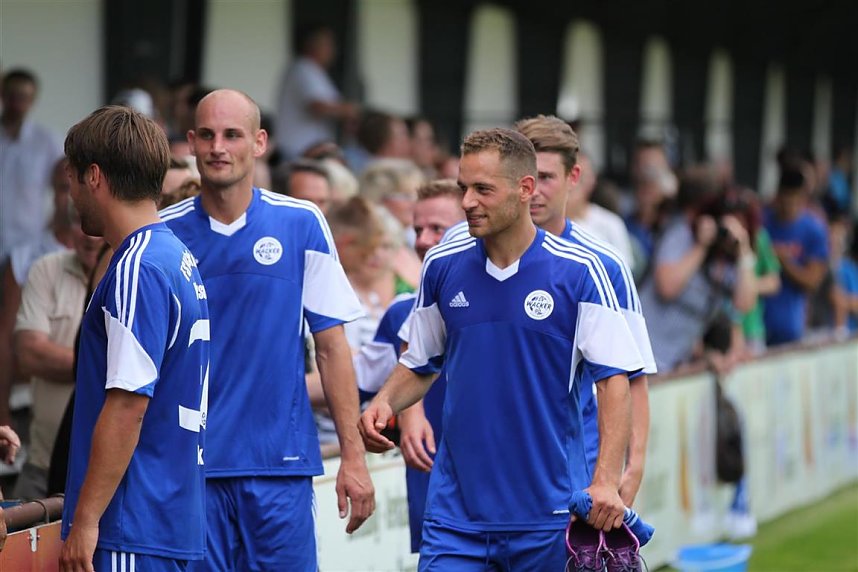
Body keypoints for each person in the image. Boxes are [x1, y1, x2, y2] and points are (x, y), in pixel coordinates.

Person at [360, 128, 643, 570]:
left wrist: (606, 480)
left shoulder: (581, 271)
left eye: (483, 189)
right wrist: (383, 403)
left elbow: (614, 382)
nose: (468, 201)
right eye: (463, 188)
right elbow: (420, 362)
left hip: (549, 517)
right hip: (455, 520)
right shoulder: (441, 265)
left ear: (524, 189)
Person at [161, 89, 374, 571]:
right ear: (191, 144)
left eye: (232, 135)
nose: (219, 147)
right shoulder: (162, 233)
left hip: (280, 466)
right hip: (193, 470)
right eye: (208, 136)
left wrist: (353, 458)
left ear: (259, 143)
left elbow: (333, 350)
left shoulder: (300, 222)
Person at [60, 105, 209, 571]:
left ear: (95, 177)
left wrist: (85, 520)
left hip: (130, 521)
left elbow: (129, 404)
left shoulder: (136, 267)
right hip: (168, 515)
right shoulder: (175, 255)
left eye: (72, 179)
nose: (70, 194)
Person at [515, 114, 655, 506]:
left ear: (574, 177)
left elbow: (634, 373)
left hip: (579, 461)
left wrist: (633, 465)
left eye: (546, 177)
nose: (533, 190)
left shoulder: (605, 264)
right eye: (525, 176)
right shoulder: (471, 254)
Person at [350, 179, 465, 553]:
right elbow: (352, 381)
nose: (423, 240)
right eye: (417, 229)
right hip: (435, 508)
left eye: (437, 229)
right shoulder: (402, 311)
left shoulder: (505, 306)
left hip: (509, 505)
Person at [12, 210, 103, 500]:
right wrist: (100, 368)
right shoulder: (45, 269)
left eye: (95, 224)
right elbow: (28, 354)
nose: (88, 236)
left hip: (101, 476)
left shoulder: (132, 278)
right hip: (42, 466)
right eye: (78, 222)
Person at [0, 69, 63, 268]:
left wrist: (52, 228)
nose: (18, 103)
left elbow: (67, 186)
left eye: (24, 97)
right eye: (13, 95)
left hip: (28, 246)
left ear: (33, 99)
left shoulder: (46, 141)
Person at [763, 168, 829, 345]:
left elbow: (812, 281)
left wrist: (784, 262)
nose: (789, 204)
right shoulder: (762, 222)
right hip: (757, 325)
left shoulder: (814, 230)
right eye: (785, 197)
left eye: (794, 198)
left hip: (791, 327)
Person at [275, 24, 358, 159]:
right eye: (328, 45)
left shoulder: (315, 71)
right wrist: (351, 110)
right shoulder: (304, 67)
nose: (333, 51)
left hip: (307, 151)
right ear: (312, 45)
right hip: (297, 151)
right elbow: (318, 106)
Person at [566, 151, 635, 268]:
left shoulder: (611, 223)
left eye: (580, 178)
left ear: (592, 181)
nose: (573, 185)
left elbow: (623, 269)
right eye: (570, 177)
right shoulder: (546, 223)